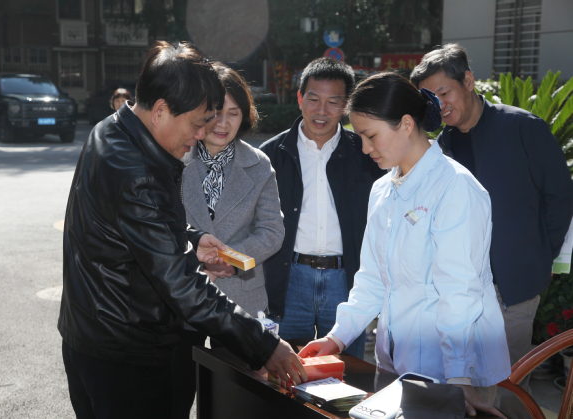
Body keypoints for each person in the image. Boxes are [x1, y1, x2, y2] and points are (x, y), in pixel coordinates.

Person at [58, 41, 307, 419]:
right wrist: (264, 345)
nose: (201, 134)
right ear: (160, 110)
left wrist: (191, 237)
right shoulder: (139, 171)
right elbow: (180, 284)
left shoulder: (111, 130)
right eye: (197, 123)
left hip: (92, 334)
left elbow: (133, 227)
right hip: (126, 353)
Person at [300, 72, 510, 419]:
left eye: (370, 136)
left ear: (407, 124)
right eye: (360, 137)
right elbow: (372, 278)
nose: (365, 148)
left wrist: (458, 376)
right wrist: (337, 338)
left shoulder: (455, 188)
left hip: (452, 370)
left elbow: (460, 290)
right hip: (395, 362)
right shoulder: (383, 190)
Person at [410, 43, 573, 418]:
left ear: (468, 81)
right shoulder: (442, 146)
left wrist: (540, 256)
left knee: (506, 382)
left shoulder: (524, 128)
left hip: (512, 287)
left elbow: (560, 198)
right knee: (466, 383)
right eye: (431, 99)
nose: (440, 105)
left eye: (445, 92)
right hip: (460, 288)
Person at [173, 63, 284, 418]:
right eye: (215, 112)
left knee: (236, 401)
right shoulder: (175, 157)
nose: (223, 123)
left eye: (233, 113)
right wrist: (198, 258)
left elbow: (272, 231)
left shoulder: (259, 164)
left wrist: (231, 261)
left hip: (242, 298)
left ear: (245, 116)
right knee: (176, 394)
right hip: (182, 297)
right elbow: (163, 225)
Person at [260, 57, 386, 359]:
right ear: (300, 99)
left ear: (346, 105)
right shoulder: (271, 154)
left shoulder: (367, 154)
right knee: (287, 368)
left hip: (346, 281)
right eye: (314, 99)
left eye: (333, 102)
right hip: (289, 279)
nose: (321, 111)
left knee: (347, 370)